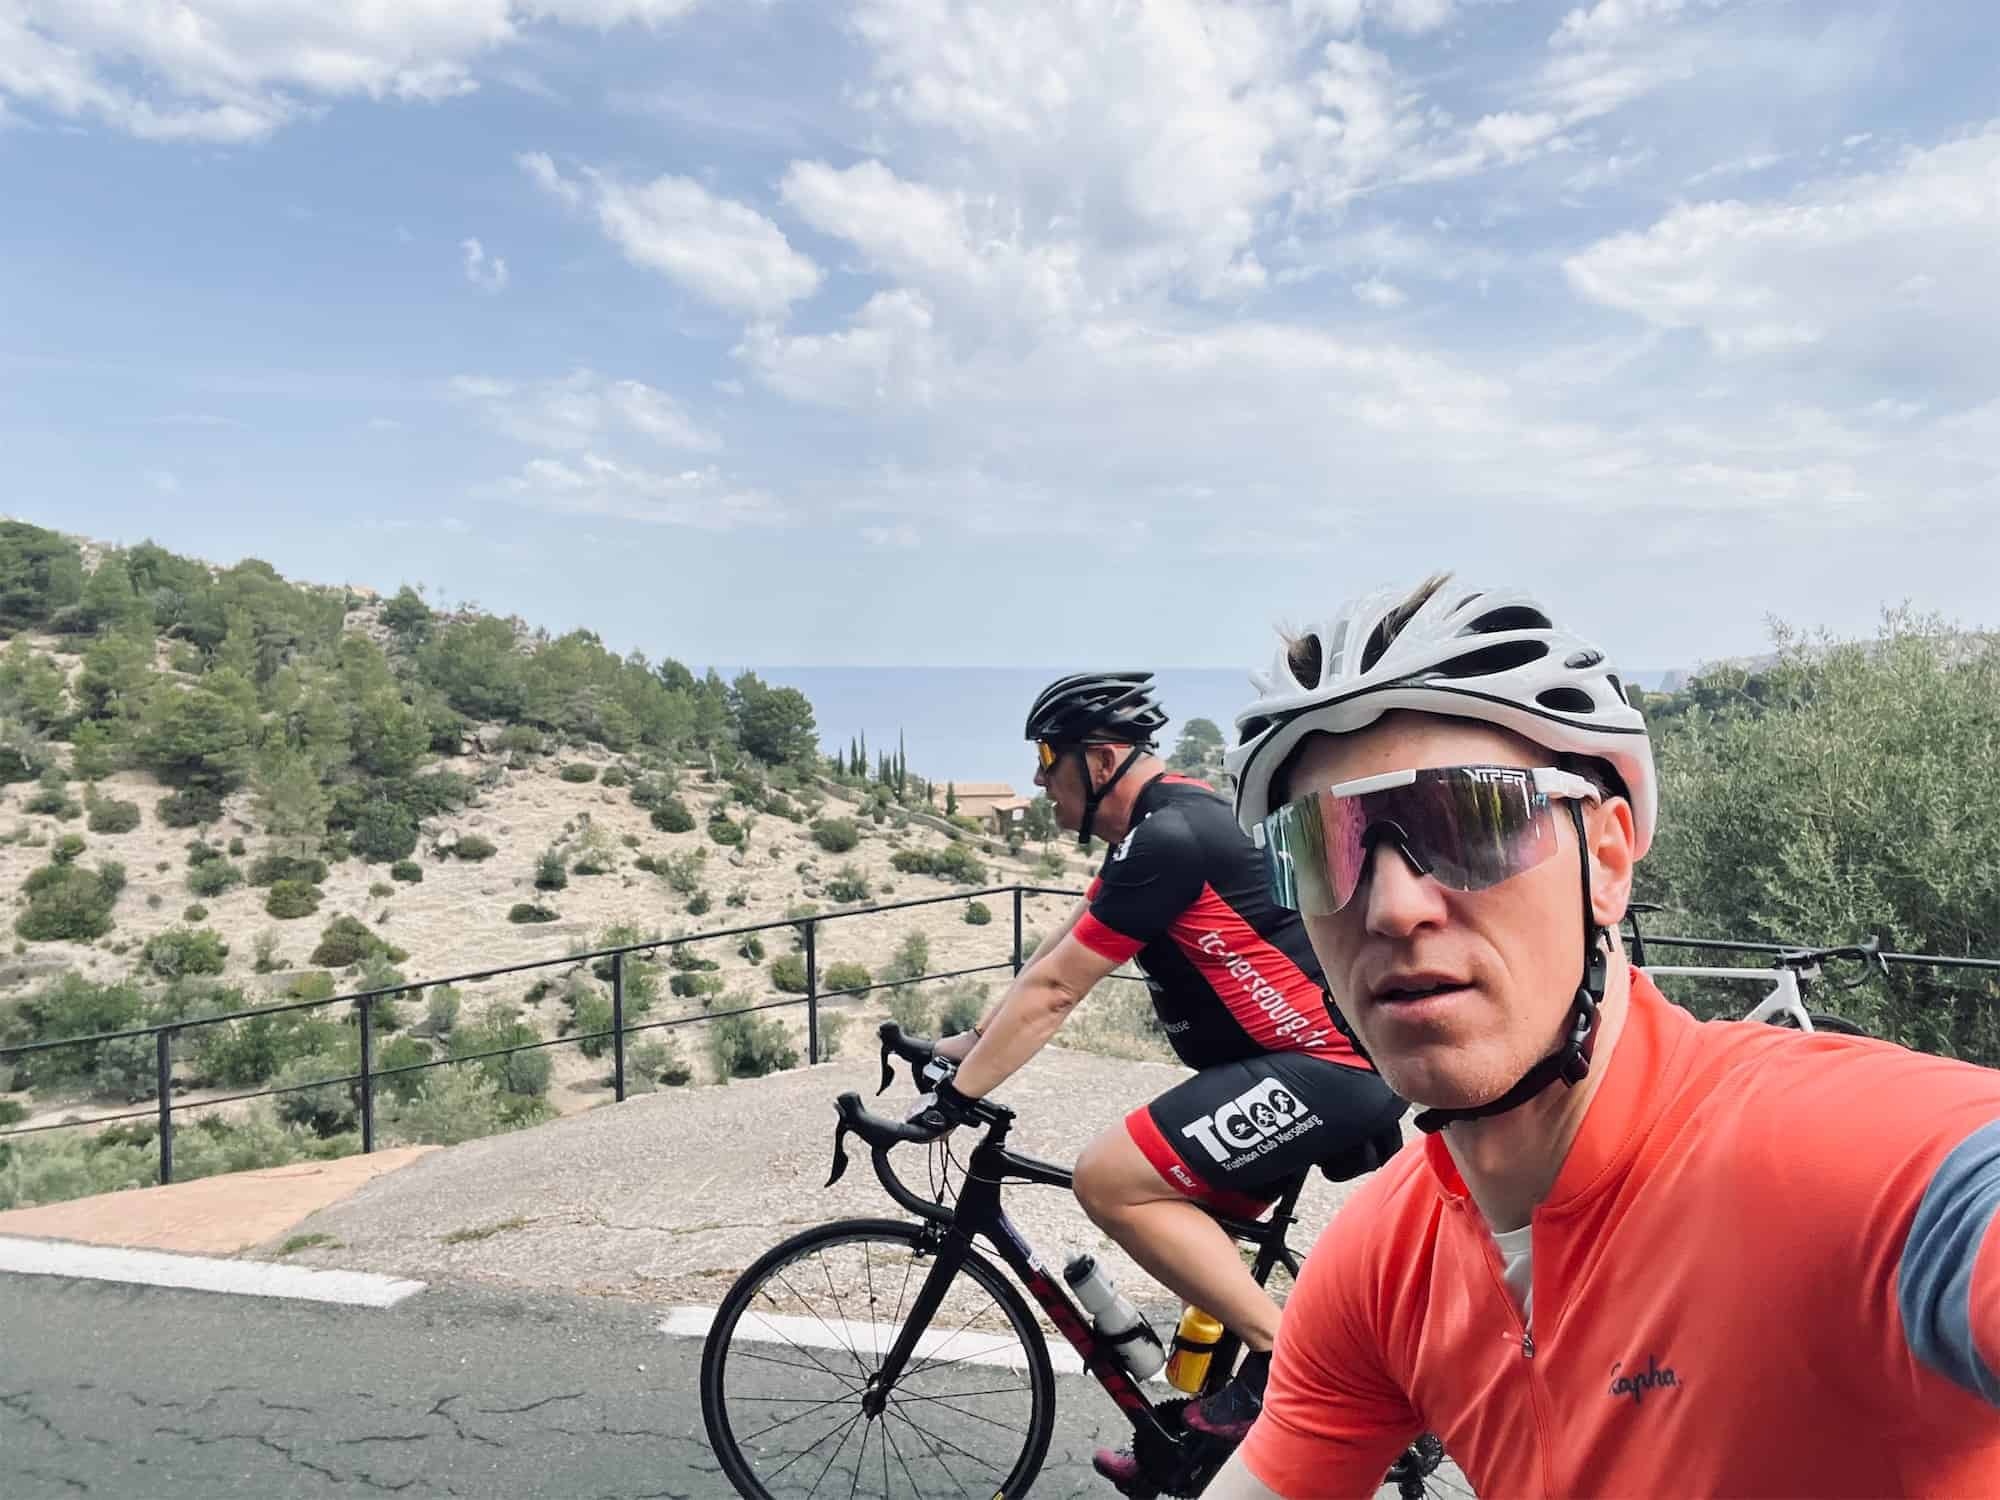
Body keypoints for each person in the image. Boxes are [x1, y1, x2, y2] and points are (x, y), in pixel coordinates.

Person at [1198, 575, 2000, 1499]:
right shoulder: (1383, 1260)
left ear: (1608, 860)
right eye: (1323, 847)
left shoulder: (1849, 1159)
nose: (1392, 906)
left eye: (1470, 822)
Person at [902, 670, 1407, 1490]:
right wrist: (962, 1047)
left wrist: (955, 1103)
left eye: (1046, 758)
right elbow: (1050, 966)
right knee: (1199, 1248)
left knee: (1111, 1179)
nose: (1037, 779)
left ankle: (1288, 1364)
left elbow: (1063, 996)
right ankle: (1200, 1447)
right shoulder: (1155, 829)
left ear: (1099, 758)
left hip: (1327, 1065)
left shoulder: (1169, 837)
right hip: (1304, 1064)